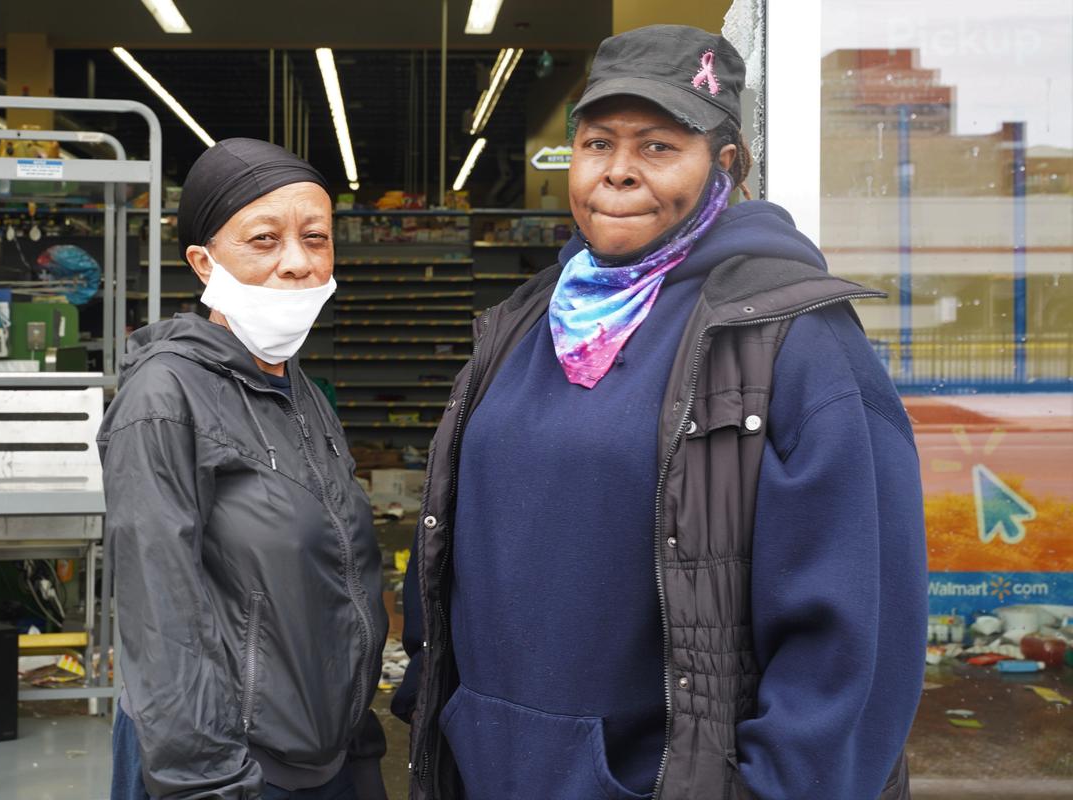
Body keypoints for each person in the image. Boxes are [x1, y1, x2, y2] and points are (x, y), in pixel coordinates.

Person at [394, 25, 927, 800]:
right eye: (597, 144)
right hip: (489, 772)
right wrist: (434, 706)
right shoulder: (522, 322)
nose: (617, 173)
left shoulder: (794, 342)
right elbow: (453, 538)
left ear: (727, 166)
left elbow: (856, 645)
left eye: (656, 147)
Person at [99, 139, 389, 800]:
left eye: (316, 238)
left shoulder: (302, 394)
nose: (296, 262)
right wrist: (207, 782)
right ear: (204, 263)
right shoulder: (164, 398)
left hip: (325, 758)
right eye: (263, 239)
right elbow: (162, 623)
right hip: (228, 771)